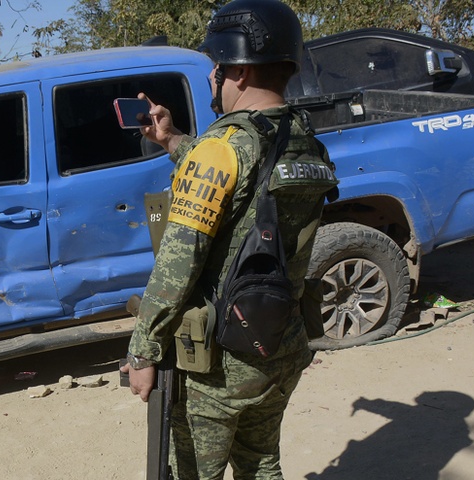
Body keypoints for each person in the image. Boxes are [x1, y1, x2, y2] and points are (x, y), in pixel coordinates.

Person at [119, 0, 338, 478]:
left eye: (216, 67)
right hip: (280, 345)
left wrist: (143, 349)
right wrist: (171, 137)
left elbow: (176, 266)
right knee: (261, 465)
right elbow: (244, 175)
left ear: (237, 70)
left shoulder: (223, 147)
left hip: (221, 361)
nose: (212, 77)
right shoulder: (303, 137)